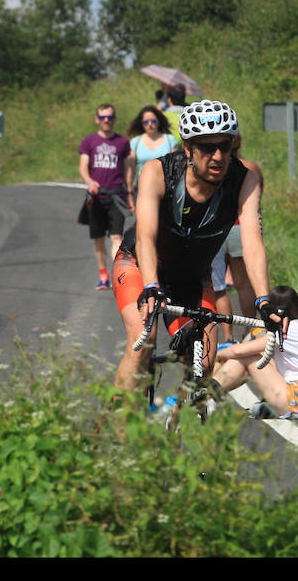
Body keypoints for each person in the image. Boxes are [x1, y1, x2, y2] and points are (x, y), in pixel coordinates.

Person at [111, 99, 285, 392]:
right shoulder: (159, 172)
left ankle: (177, 427)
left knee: (203, 361)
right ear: (188, 148)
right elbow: (145, 237)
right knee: (144, 336)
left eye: (225, 146)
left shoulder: (245, 180)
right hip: (140, 265)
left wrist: (264, 301)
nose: (217, 156)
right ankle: (119, 430)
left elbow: (253, 242)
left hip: (191, 276)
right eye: (207, 147)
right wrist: (152, 286)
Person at [213, 285, 298, 418]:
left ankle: (206, 393)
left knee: (248, 358)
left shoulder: (285, 330)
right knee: (260, 355)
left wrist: (214, 355)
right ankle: (210, 393)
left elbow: (238, 351)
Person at [211, 132, 264, 347]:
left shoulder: (211, 166)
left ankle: (228, 336)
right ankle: (250, 332)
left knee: (218, 287)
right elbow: (257, 197)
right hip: (240, 228)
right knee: (244, 285)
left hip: (215, 229)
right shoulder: (251, 167)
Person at [78, 103, 133, 290]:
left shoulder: (123, 143)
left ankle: (120, 275)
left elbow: (128, 169)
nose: (106, 120)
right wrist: (89, 181)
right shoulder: (89, 141)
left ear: (114, 119)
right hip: (97, 197)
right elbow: (83, 166)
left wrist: (129, 192)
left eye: (109, 117)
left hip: (117, 195)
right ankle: (103, 276)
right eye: (103, 117)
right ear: (97, 120)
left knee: (117, 237)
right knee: (99, 239)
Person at [126, 105, 178, 191]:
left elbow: (176, 167)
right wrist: (129, 190)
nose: (150, 124)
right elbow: (131, 168)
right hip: (141, 189)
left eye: (153, 121)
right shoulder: (135, 142)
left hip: (165, 190)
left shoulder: (170, 140)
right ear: (142, 123)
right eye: (146, 122)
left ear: (158, 122)